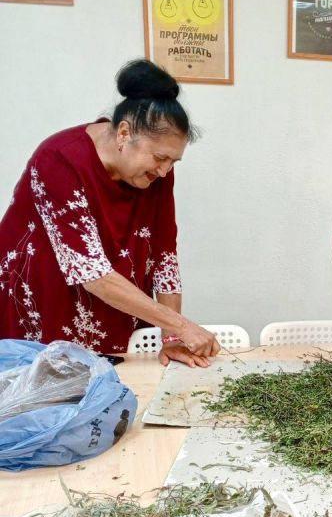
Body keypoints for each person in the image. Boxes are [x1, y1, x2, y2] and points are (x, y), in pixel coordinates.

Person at [0, 59, 220, 368]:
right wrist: (182, 325)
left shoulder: (157, 174)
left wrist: (171, 337)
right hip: (46, 294)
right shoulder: (60, 160)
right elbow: (90, 272)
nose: (165, 170)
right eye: (159, 157)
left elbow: (164, 256)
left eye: (173, 161)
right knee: (48, 393)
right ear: (124, 134)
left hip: (111, 301)